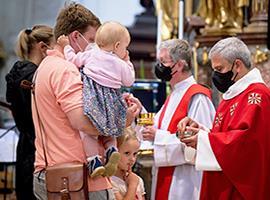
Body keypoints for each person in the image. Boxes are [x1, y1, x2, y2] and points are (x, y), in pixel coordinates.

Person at [32, 3, 141, 200]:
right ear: (75, 37)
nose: (97, 49)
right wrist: (124, 119)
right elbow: (84, 122)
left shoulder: (46, 66)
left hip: (57, 171)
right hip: (78, 179)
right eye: (92, 40)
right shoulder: (66, 69)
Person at [178, 37, 270, 199]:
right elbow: (225, 133)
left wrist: (204, 140)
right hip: (223, 181)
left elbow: (247, 145)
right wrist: (200, 131)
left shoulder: (257, 95)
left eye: (219, 69)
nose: (216, 76)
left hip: (240, 188)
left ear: (237, 65)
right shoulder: (233, 93)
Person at [57, 21, 135, 178]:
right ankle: (111, 149)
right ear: (117, 45)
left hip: (93, 99)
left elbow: (72, 60)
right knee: (111, 128)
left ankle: (94, 161)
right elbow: (129, 81)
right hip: (113, 101)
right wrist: (127, 62)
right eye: (125, 47)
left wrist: (66, 46)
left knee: (89, 133)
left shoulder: (92, 54)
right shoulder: (120, 63)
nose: (125, 51)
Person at [141, 39, 215, 200]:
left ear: (179, 65)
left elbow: (199, 144)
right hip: (167, 175)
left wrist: (158, 136)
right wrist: (139, 110)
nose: (159, 67)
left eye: (163, 62)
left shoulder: (197, 96)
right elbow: (157, 126)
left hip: (185, 182)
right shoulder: (176, 93)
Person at [5, 25, 54, 200]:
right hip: (40, 151)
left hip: (25, 147)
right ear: (43, 48)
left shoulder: (15, 75)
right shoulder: (38, 77)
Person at [111, 127, 146, 200]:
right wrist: (132, 186)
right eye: (127, 153)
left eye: (135, 154)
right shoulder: (110, 182)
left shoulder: (137, 179)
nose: (132, 159)